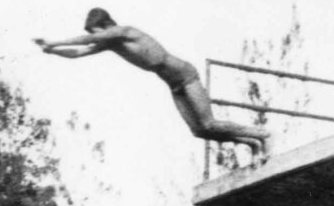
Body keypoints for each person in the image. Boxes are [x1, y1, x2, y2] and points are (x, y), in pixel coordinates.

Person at [35, 11, 268, 152]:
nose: (99, 38)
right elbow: (79, 53)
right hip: (174, 85)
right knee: (199, 131)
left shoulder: (125, 31)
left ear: (106, 25)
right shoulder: (111, 43)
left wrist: (54, 42)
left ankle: (262, 134)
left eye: (99, 32)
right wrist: (52, 51)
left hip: (186, 76)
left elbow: (89, 39)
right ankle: (251, 143)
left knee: (209, 123)